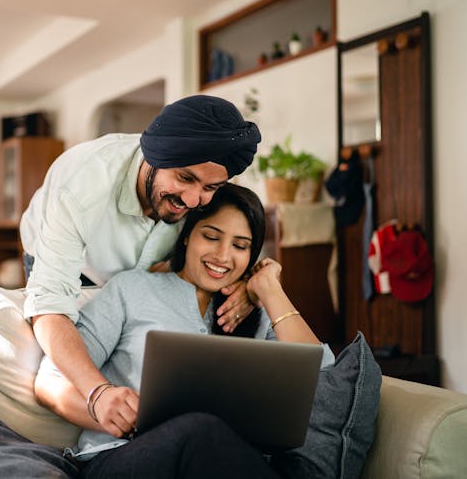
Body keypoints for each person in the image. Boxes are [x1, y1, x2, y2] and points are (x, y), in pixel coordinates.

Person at [34, 183, 336, 478]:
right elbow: (50, 382)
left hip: (228, 461)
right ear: (187, 236)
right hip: (123, 456)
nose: (223, 256)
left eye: (240, 246)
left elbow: (322, 375)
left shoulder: (256, 312)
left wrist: (270, 289)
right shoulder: (132, 290)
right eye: (211, 236)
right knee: (200, 429)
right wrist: (106, 409)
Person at [21, 95, 263, 420]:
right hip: (70, 266)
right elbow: (50, 304)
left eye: (211, 187)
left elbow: (232, 242)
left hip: (140, 274)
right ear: (154, 158)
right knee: (69, 364)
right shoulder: (82, 185)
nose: (194, 200)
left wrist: (247, 285)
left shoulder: (206, 177)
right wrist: (98, 393)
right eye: (185, 179)